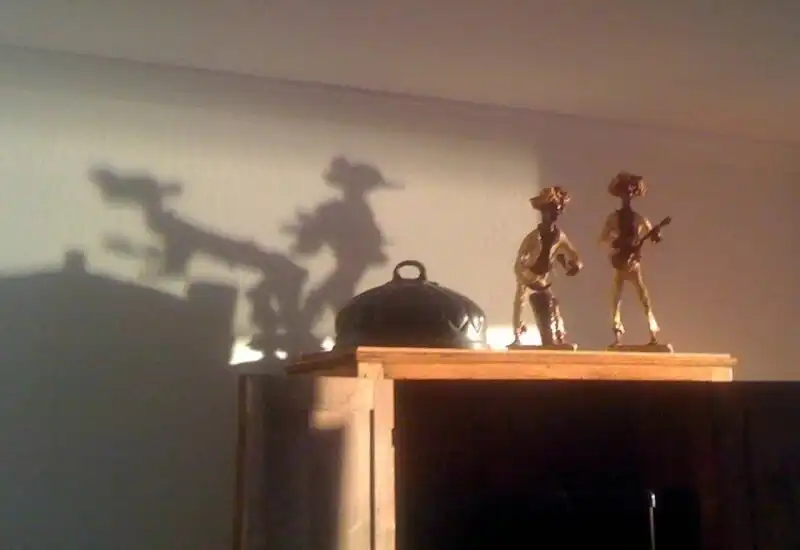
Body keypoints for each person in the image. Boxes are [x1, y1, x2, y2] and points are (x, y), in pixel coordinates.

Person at [512, 186, 582, 346]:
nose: (555, 214)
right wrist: (527, 276)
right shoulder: (533, 237)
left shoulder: (559, 236)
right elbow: (519, 262)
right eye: (551, 210)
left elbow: (574, 254)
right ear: (544, 211)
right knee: (520, 303)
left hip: (543, 278)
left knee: (553, 304)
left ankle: (560, 335)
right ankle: (517, 335)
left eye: (557, 210)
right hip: (528, 275)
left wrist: (576, 265)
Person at [599, 171, 662, 345]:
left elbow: (652, 234)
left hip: (633, 263)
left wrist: (656, 235)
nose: (627, 197)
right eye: (624, 193)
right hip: (621, 263)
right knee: (617, 299)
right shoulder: (613, 218)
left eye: (629, 193)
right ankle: (617, 334)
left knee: (644, 298)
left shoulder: (638, 218)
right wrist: (616, 242)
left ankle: (653, 332)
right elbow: (603, 238)